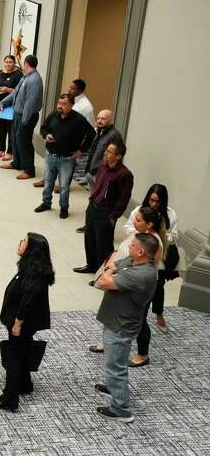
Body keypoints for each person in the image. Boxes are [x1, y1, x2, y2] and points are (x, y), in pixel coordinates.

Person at [92, 233, 160, 423]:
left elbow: (103, 281)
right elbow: (115, 265)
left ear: (140, 252)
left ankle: (121, 409)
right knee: (115, 362)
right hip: (116, 320)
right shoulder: (135, 262)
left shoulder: (140, 273)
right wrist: (111, 270)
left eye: (132, 245)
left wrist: (107, 272)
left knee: (116, 367)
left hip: (121, 326)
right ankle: (114, 387)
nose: (128, 247)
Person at [0, 233, 53, 412]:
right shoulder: (30, 267)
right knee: (22, 351)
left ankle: (9, 398)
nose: (20, 243)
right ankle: (25, 384)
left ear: (32, 249)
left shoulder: (34, 273)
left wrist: (17, 324)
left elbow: (27, 301)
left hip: (22, 323)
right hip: (24, 321)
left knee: (14, 358)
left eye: (24, 242)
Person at [124, 184, 179, 333]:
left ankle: (157, 313)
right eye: (152, 200)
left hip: (159, 258)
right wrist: (142, 232)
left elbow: (174, 236)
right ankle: (137, 317)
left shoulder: (170, 214)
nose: (154, 204)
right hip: (139, 254)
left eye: (158, 201)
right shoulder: (139, 211)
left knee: (158, 285)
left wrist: (158, 235)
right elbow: (128, 227)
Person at [74, 141, 134, 274]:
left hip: (106, 213)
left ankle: (103, 272)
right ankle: (91, 265)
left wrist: (112, 217)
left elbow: (123, 200)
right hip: (93, 207)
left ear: (118, 156)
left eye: (109, 152)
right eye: (106, 150)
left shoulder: (125, 174)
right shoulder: (102, 167)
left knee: (103, 245)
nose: (105, 153)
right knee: (89, 240)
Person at [0, 55, 44, 179]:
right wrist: (4, 102)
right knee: (15, 139)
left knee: (24, 141)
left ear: (26, 64)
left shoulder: (34, 80)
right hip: (17, 114)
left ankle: (29, 170)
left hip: (26, 116)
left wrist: (24, 120)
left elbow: (31, 102)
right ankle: (17, 163)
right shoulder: (25, 77)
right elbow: (15, 93)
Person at [0, 55, 23, 158]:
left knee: (10, 129)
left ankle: (10, 151)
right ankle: (1, 149)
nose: (8, 64)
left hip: (12, 105)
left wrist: (8, 90)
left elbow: (21, 92)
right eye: (6, 62)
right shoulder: (0, 72)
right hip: (1, 104)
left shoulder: (18, 74)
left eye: (10, 62)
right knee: (2, 128)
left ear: (14, 63)